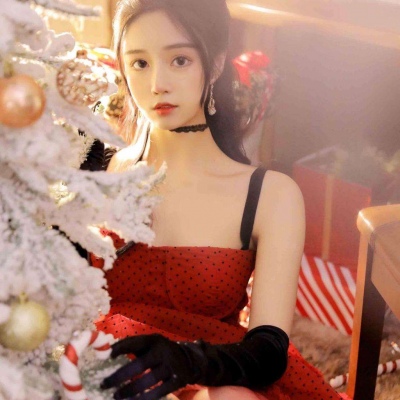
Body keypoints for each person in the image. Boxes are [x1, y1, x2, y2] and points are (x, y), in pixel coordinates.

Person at [91, 1, 350, 399]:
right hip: (103, 369)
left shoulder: (269, 195)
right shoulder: (96, 167)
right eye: (140, 63)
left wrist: (186, 361)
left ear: (214, 65)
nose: (158, 83)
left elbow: (268, 352)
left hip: (211, 373)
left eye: (179, 60)